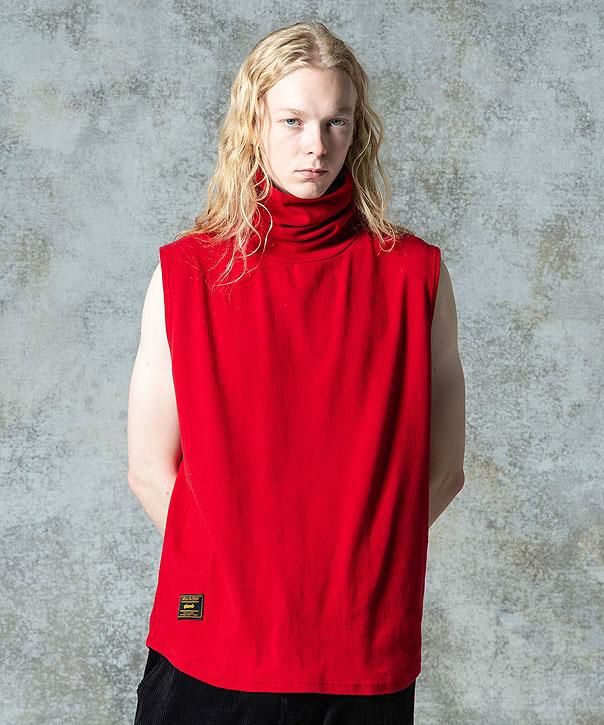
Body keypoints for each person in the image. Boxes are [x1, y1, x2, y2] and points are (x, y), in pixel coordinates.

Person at [127, 20, 465, 725]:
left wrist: (356, 578)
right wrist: (245, 585)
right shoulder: (186, 273)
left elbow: (442, 472)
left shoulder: (415, 275)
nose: (316, 145)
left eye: (336, 121)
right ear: (253, 124)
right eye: (293, 120)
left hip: (359, 657)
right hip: (211, 650)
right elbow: (150, 470)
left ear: (357, 130)